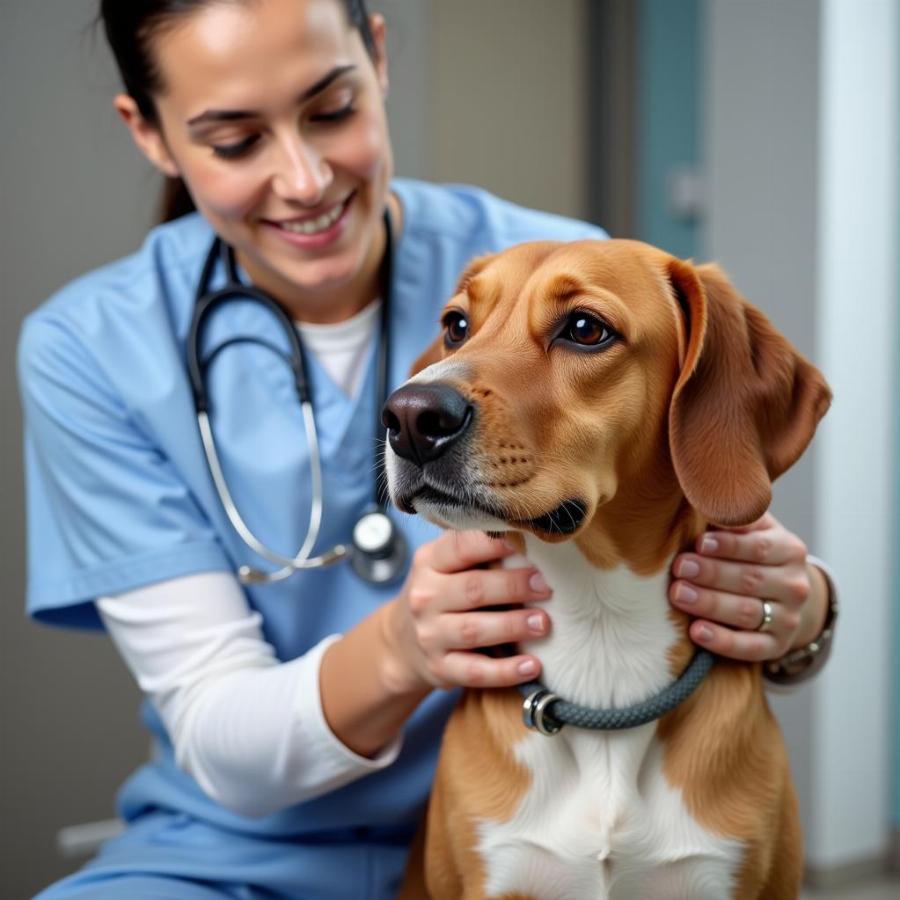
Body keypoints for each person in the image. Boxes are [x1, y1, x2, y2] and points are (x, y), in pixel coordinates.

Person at [18, 1, 836, 896]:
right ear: (153, 134)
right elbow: (215, 729)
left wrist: (803, 611)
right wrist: (402, 650)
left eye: (331, 110)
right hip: (235, 852)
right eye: (234, 140)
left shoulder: (569, 261)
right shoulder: (89, 345)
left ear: (377, 55)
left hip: (600, 760)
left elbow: (703, 484)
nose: (303, 177)